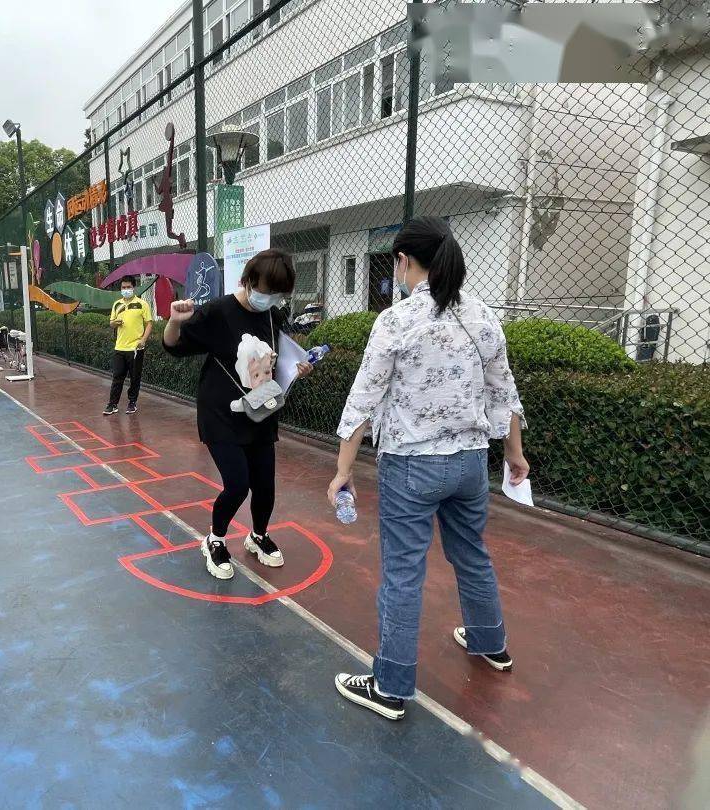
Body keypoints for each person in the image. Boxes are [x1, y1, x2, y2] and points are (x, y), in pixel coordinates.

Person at [326, 217, 528, 721]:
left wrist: (343, 471)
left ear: (402, 261)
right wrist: (514, 454)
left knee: (403, 573)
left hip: (411, 466)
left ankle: (391, 686)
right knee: (472, 554)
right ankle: (491, 643)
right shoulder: (482, 315)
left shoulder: (396, 321)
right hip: (470, 463)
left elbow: (363, 400)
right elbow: (504, 392)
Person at [162, 249, 312, 580]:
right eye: (267, 291)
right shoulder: (218, 312)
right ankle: (214, 540)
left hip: (260, 412)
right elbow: (173, 346)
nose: (270, 299)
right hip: (221, 415)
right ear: (247, 280)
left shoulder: (272, 315)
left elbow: (274, 361)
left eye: (278, 294)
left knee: (265, 486)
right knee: (237, 485)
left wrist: (295, 368)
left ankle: (258, 536)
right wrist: (174, 321)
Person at [104, 276, 153, 416]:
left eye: (128, 287)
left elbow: (149, 323)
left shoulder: (142, 304)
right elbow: (111, 323)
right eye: (123, 288)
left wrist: (143, 340)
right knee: (117, 377)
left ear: (133, 288)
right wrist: (114, 323)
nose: (126, 290)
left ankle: (132, 403)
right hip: (120, 347)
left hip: (136, 348)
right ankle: (112, 404)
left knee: (135, 377)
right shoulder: (117, 304)